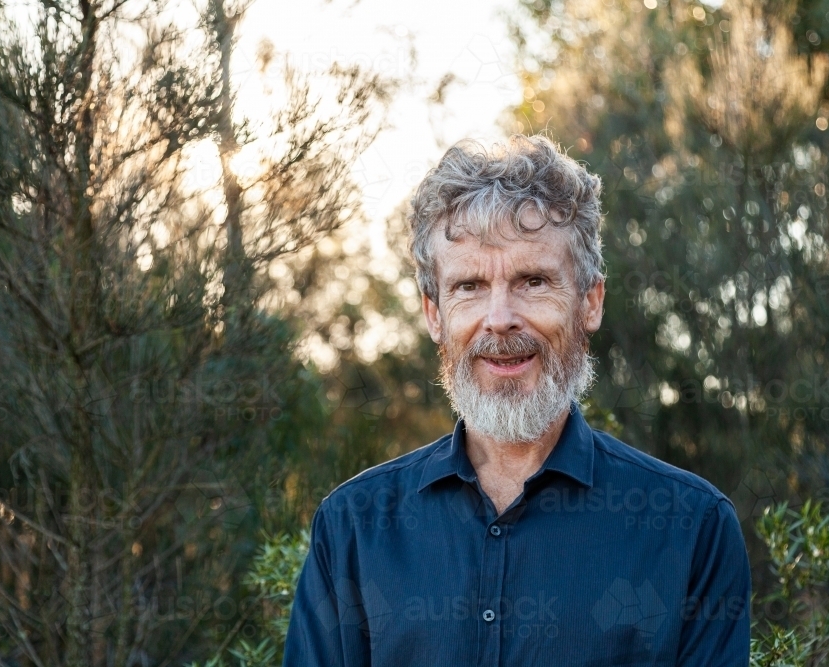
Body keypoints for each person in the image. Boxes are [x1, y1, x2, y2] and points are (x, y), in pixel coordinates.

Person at [282, 134, 751, 666]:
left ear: (589, 302)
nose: (500, 318)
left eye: (532, 281)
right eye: (469, 287)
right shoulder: (352, 527)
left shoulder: (691, 528)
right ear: (435, 315)